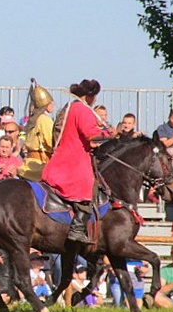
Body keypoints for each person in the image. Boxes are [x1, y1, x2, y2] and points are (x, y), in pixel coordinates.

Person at [41, 79, 112, 245]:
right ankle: (77, 229)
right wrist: (109, 134)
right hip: (74, 158)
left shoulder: (70, 107)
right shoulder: (82, 110)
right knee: (88, 187)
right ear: (89, 96)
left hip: (62, 156)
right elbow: (91, 135)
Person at [19, 79, 54, 181]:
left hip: (28, 163)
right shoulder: (44, 120)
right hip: (40, 164)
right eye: (51, 102)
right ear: (46, 105)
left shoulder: (33, 119)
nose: (53, 104)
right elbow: (50, 141)